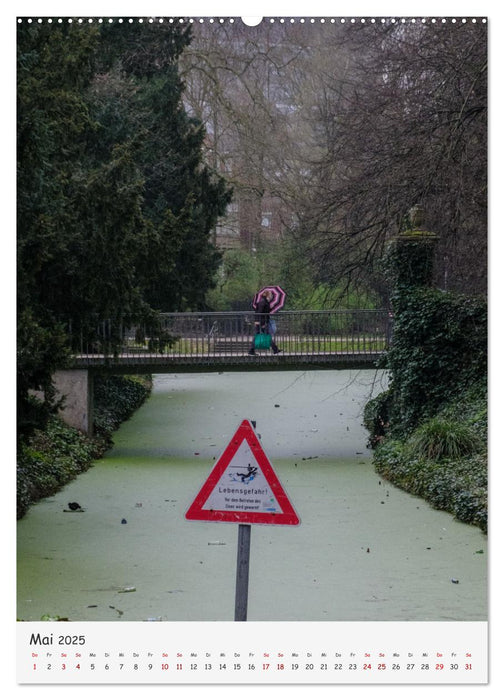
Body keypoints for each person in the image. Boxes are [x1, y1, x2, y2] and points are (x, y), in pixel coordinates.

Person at [248, 290, 281, 355]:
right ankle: (275, 349)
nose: (272, 296)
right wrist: (260, 323)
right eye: (271, 294)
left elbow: (266, 311)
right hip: (261, 322)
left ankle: (251, 350)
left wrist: (271, 307)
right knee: (266, 335)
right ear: (268, 295)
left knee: (262, 335)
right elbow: (259, 312)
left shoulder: (266, 302)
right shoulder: (262, 302)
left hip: (262, 321)